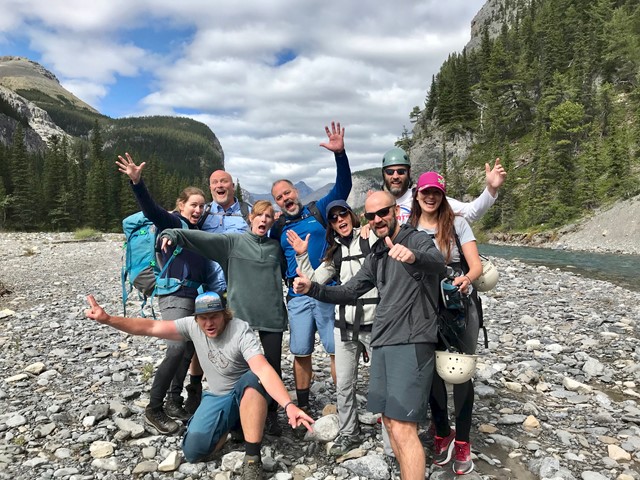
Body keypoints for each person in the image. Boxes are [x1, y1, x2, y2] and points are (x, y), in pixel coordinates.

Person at [293, 191, 446, 480]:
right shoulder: (377, 254)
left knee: (403, 427)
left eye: (383, 213)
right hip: (384, 339)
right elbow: (349, 290)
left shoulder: (415, 240)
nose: (378, 219)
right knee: (389, 421)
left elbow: (438, 264)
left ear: (395, 211)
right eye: (372, 216)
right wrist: (312, 289)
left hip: (411, 340)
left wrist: (414, 257)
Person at [85, 292, 314, 479]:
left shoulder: (240, 330)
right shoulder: (191, 326)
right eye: (203, 317)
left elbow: (263, 368)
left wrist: (288, 405)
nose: (208, 323)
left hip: (246, 391)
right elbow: (150, 327)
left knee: (253, 379)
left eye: (214, 316)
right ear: (196, 318)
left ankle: (252, 460)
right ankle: (232, 425)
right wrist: (108, 319)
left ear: (225, 314)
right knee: (193, 451)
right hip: (217, 396)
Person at [115, 153, 226, 436]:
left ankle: (175, 401)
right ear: (181, 205)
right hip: (174, 294)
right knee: (176, 348)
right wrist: (137, 183)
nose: (198, 210)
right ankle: (154, 409)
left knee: (188, 348)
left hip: (194, 296)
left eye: (202, 206)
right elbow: (152, 211)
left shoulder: (197, 231)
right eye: (193, 205)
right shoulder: (173, 222)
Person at [158, 200, 288, 436]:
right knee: (239, 369)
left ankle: (271, 415)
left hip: (272, 316)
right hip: (241, 317)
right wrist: (173, 234)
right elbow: (200, 240)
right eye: (259, 215)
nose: (263, 220)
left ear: (272, 221)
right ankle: (238, 415)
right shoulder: (232, 243)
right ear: (250, 218)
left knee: (272, 368)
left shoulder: (275, 247)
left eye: (268, 217)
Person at [286, 200, 391, 457]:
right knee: (344, 385)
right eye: (333, 218)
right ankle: (348, 433)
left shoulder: (371, 239)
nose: (339, 220)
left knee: (385, 387)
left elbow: (390, 231)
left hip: (376, 324)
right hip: (344, 326)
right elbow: (313, 281)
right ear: (331, 225)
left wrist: (371, 227)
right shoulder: (334, 253)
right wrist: (302, 254)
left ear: (352, 216)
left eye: (343, 213)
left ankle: (392, 444)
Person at [270, 121, 352, 412]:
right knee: (301, 351)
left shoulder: (318, 210)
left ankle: (343, 406)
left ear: (295, 193)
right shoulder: (276, 229)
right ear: (276, 203)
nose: (285, 199)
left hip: (327, 290)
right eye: (279, 197)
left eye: (288, 193)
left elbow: (344, 187)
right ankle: (302, 405)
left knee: (335, 350)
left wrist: (339, 155)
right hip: (297, 297)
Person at [408, 172, 483, 475]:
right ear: (417, 194)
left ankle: (463, 441)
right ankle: (442, 433)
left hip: (457, 304)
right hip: (423, 307)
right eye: (425, 192)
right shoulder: (408, 228)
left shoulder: (458, 225)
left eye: (436, 192)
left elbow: (475, 264)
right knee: (431, 374)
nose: (430, 197)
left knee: (461, 373)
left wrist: (466, 278)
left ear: (442, 195)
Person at [187, 169, 251, 415]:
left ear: (231, 186)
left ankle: (241, 390)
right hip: (208, 288)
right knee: (200, 339)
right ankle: (194, 389)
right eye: (214, 183)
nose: (219, 185)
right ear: (211, 187)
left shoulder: (246, 213)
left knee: (238, 338)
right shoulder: (203, 213)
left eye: (223, 181)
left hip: (239, 287)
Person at [380, 147, 507, 224]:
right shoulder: (379, 203)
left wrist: (491, 188)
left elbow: (471, 212)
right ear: (383, 174)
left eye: (401, 171)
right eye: (390, 172)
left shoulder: (423, 197)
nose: (395, 176)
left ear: (409, 173)